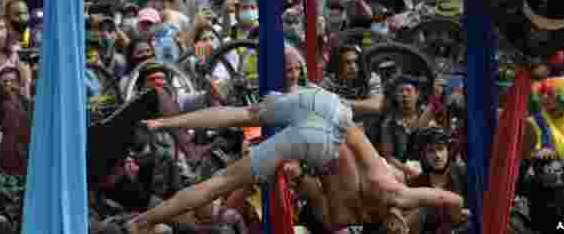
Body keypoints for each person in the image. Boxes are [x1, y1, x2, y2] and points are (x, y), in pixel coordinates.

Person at [125, 88, 464, 233]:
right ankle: (140, 222)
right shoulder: (349, 214)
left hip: (328, 111)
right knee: (220, 183)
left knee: (242, 115)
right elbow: (450, 199)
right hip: (319, 142)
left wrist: (459, 210)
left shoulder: (396, 193)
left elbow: (450, 199)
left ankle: (167, 122)